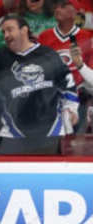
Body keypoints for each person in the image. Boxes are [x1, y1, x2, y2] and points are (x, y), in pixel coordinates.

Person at [0, 14, 79, 154]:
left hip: (50, 133)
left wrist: (71, 109)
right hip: (13, 135)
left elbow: (68, 85)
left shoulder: (48, 54)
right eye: (3, 32)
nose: (6, 35)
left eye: (10, 30)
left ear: (24, 30)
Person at [38, 0, 93, 133]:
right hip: (53, 95)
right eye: (57, 6)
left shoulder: (87, 37)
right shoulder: (45, 36)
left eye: (64, 6)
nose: (58, 9)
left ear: (76, 12)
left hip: (80, 96)